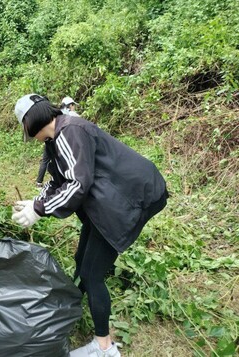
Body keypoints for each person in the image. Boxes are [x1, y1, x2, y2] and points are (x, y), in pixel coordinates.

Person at [12, 94, 168, 357]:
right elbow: (60, 178)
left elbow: (77, 184)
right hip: (107, 202)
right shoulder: (56, 138)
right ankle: (71, 308)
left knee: (92, 274)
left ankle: (104, 347)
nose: (28, 136)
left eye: (24, 129)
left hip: (125, 201)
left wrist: (40, 210)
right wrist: (35, 201)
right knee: (81, 258)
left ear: (30, 122)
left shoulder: (70, 131)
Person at [35, 96, 80, 188]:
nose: (74, 107)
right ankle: (66, 182)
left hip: (50, 140)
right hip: (64, 142)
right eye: (73, 105)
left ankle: (39, 182)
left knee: (46, 161)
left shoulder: (56, 114)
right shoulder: (73, 115)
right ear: (70, 105)